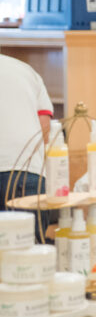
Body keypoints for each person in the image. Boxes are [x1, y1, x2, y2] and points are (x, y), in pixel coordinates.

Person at [0, 54, 53, 240]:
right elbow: (45, 128)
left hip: (22, 170)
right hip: (26, 171)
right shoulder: (25, 71)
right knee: (29, 254)